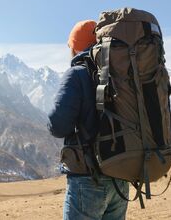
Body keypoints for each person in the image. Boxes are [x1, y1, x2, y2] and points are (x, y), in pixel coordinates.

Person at [48, 20, 129, 220]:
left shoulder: (77, 74)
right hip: (121, 175)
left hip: (88, 178)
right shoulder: (120, 73)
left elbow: (58, 125)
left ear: (75, 46)